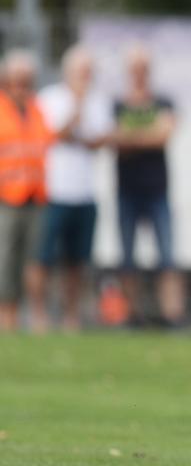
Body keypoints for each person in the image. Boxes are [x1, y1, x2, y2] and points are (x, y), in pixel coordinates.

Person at [33, 45, 113, 332]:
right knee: (42, 257)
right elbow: (58, 134)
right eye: (82, 71)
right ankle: (39, 315)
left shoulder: (100, 100)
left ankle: (71, 316)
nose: (86, 77)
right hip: (54, 191)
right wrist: (77, 107)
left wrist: (79, 134)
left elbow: (99, 140)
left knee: (76, 261)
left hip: (85, 193)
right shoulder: (50, 98)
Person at [109, 44, 184, 326]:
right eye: (135, 69)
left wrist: (130, 136)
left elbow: (162, 136)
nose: (139, 74)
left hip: (157, 190)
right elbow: (114, 139)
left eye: (143, 68)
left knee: (167, 257)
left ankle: (173, 316)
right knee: (127, 258)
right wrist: (146, 135)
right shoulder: (118, 103)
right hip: (127, 190)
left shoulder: (163, 102)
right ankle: (131, 316)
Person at [0, 50, 55, 332]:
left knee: (36, 260)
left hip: (36, 195)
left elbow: (47, 142)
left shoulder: (37, 109)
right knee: (6, 259)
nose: (23, 87)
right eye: (18, 81)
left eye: (28, 81)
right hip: (7, 198)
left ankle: (37, 317)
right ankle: (6, 318)